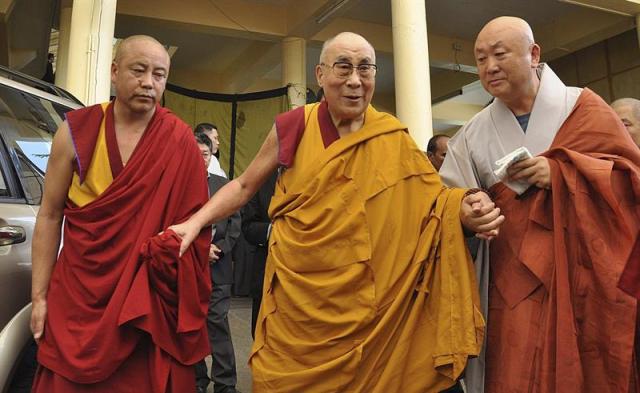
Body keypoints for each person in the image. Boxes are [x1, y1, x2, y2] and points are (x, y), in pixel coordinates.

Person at [171, 31, 504, 392]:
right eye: (343, 67)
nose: (355, 81)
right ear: (320, 74)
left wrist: (467, 209)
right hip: (302, 304)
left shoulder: (391, 137)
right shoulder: (295, 125)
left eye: (365, 69)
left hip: (375, 310)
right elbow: (244, 186)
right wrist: (196, 222)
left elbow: (434, 202)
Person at [439, 17, 640, 393]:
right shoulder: (472, 133)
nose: (489, 67)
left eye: (499, 54)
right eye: (480, 59)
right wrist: (468, 212)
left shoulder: (584, 108)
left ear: (534, 54)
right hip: (509, 285)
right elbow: (448, 200)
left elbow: (630, 183)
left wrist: (564, 174)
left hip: (582, 276)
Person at [30, 35, 212, 393]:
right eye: (139, 70)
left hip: (145, 302)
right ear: (115, 72)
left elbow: (194, 224)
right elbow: (50, 215)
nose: (149, 82)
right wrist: (40, 297)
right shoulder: (76, 131)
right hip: (81, 293)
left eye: (159, 75)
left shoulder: (178, 139)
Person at [193, 132, 241, 393]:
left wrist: (218, 249)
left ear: (211, 157)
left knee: (218, 322)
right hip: (190, 266)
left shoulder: (224, 185)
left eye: (205, 154)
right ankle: (197, 381)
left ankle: (225, 384)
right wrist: (199, 249)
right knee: (191, 325)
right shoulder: (178, 183)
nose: (201, 159)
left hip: (218, 267)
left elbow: (235, 225)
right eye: (196, 154)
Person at [241, 170, 277, 338]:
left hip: (303, 273)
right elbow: (248, 225)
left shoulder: (312, 175)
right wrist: (272, 231)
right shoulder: (261, 179)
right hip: (266, 268)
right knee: (261, 333)